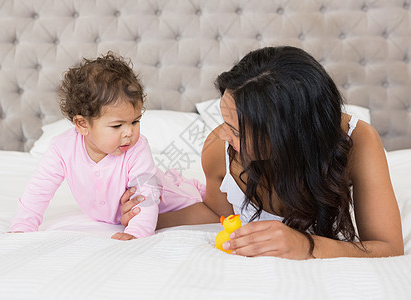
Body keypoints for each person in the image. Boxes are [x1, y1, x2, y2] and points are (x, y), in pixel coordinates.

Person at [119, 46, 404, 258]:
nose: (224, 136)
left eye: (238, 131)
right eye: (224, 121)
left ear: (290, 134)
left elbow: (388, 248)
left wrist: (305, 245)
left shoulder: (358, 140)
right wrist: (148, 215)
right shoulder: (219, 148)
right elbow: (216, 211)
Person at [9, 52, 203, 240]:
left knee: (200, 202)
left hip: (174, 202)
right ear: (82, 124)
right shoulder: (62, 148)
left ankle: (195, 189)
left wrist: (138, 231)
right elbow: (38, 189)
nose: (129, 132)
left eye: (135, 121)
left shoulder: (137, 148)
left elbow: (146, 195)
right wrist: (22, 226)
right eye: (117, 125)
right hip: (118, 216)